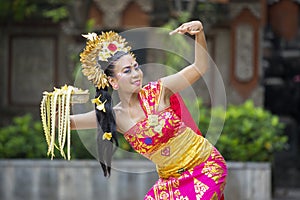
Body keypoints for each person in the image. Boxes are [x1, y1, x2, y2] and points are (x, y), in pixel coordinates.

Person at [71, 20, 227, 200]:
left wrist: (199, 32)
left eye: (136, 67)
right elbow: (67, 123)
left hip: (206, 166)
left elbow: (200, 67)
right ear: (113, 82)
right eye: (127, 71)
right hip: (171, 180)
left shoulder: (160, 91)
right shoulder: (115, 116)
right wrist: (57, 104)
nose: (136, 74)